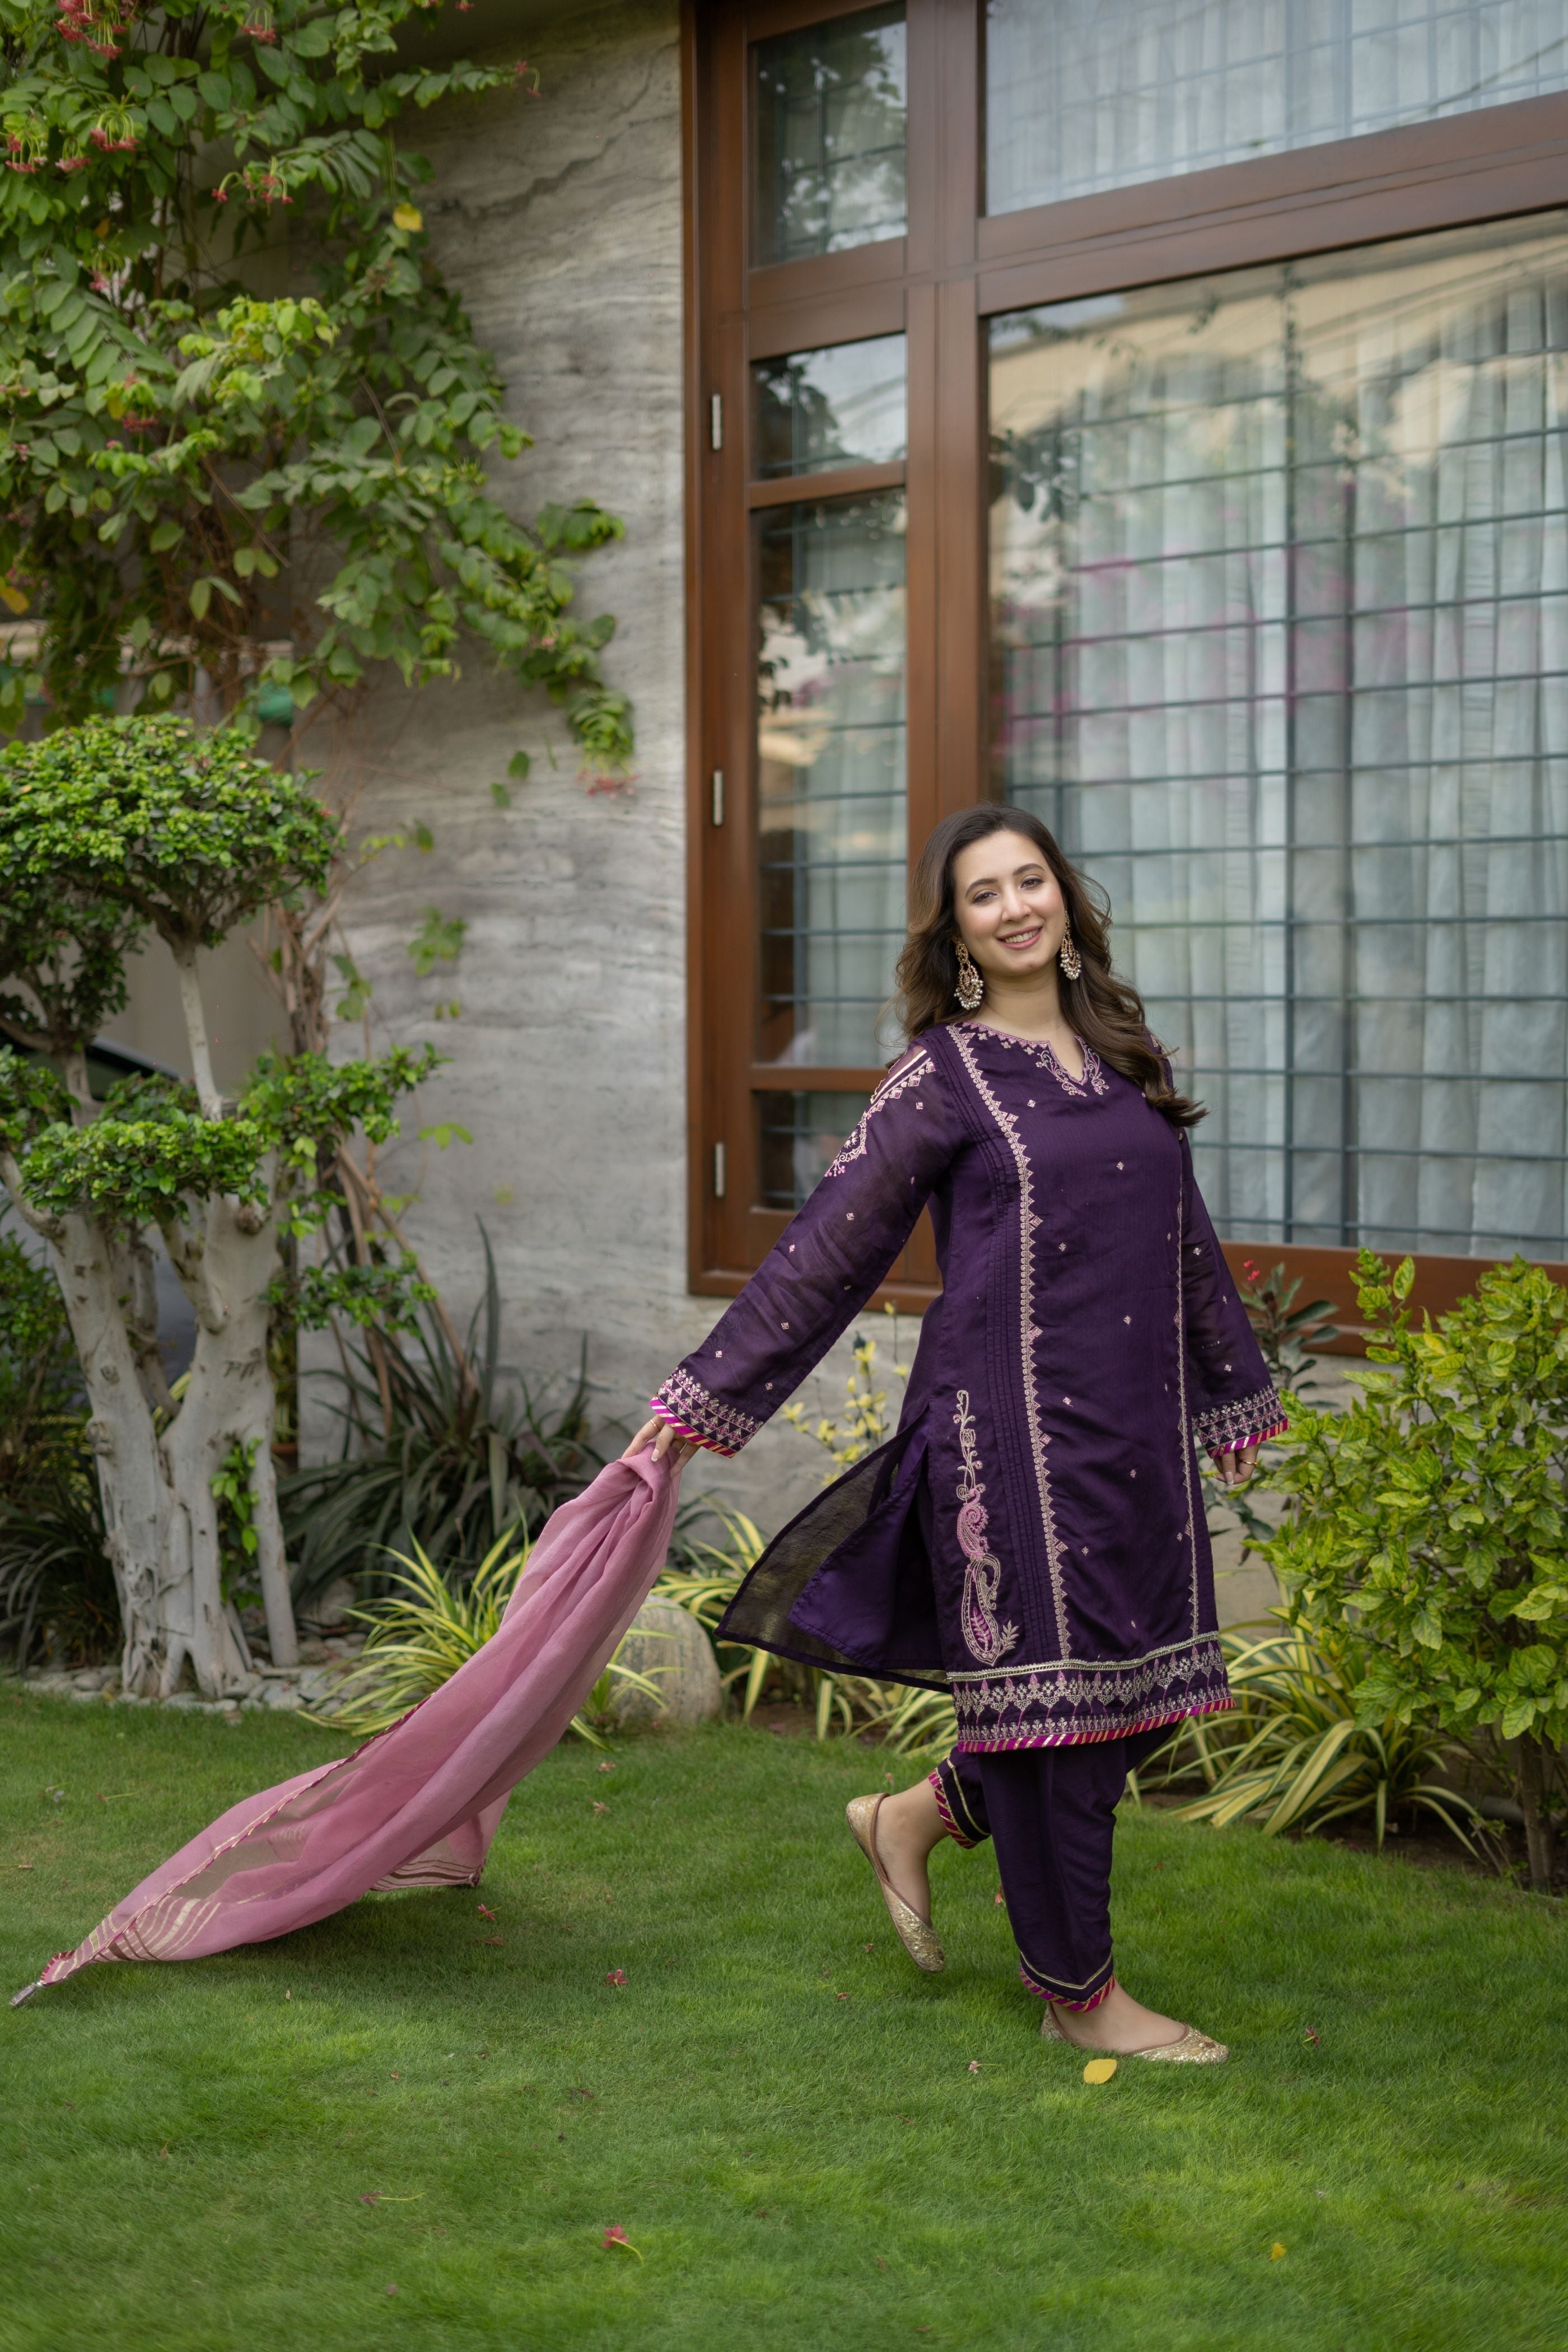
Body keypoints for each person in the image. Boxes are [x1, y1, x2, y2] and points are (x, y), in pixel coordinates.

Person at [626, 808, 1284, 2062]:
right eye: (984, 894)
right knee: (1051, 1724)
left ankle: (916, 1815)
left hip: (1132, 1430)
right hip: (1005, 1439)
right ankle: (1079, 1997)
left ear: (1065, 902)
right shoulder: (943, 1076)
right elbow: (827, 1249)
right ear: (958, 933)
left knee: (1146, 1696)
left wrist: (1229, 1387)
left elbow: (1180, 1231)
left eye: (1030, 881)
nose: (1015, 906)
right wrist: (702, 1399)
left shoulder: (1121, 1050)